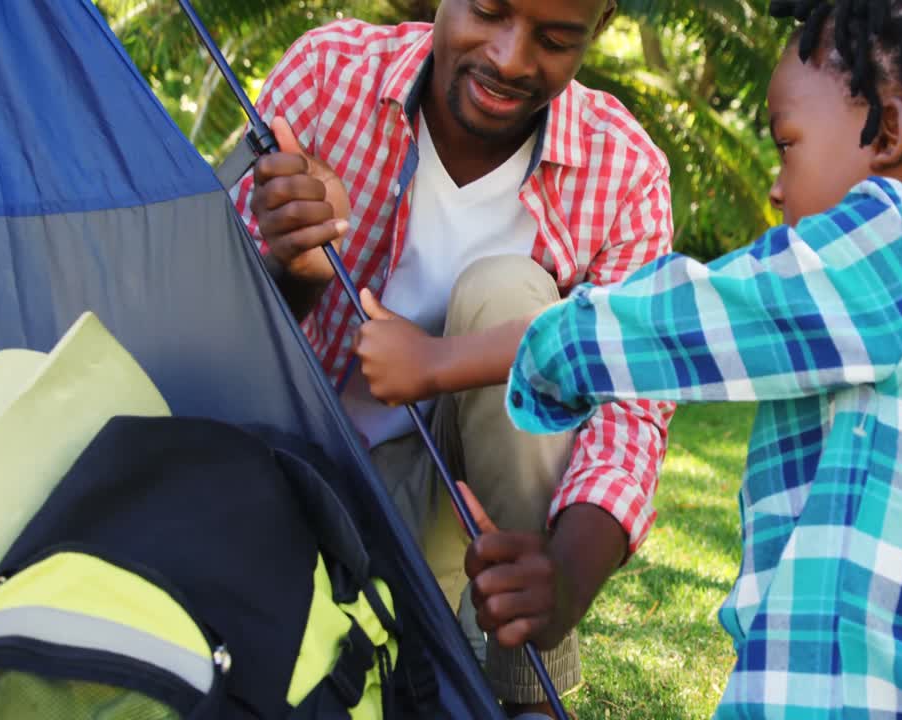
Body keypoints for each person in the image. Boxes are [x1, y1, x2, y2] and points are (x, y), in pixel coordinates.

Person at [353, 0, 902, 716]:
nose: (778, 187)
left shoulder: (890, 242)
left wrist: (441, 361)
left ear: (890, 131)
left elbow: (673, 321)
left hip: (832, 692)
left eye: (787, 144)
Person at [231, 1, 676, 716]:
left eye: (556, 39)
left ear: (600, 25)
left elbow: (631, 406)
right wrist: (296, 269)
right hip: (290, 477)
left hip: (452, 515)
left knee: (512, 300)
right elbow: (209, 324)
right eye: (489, 11)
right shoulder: (326, 78)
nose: (507, 57)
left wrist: (564, 580)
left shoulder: (623, 171)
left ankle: (526, 684)